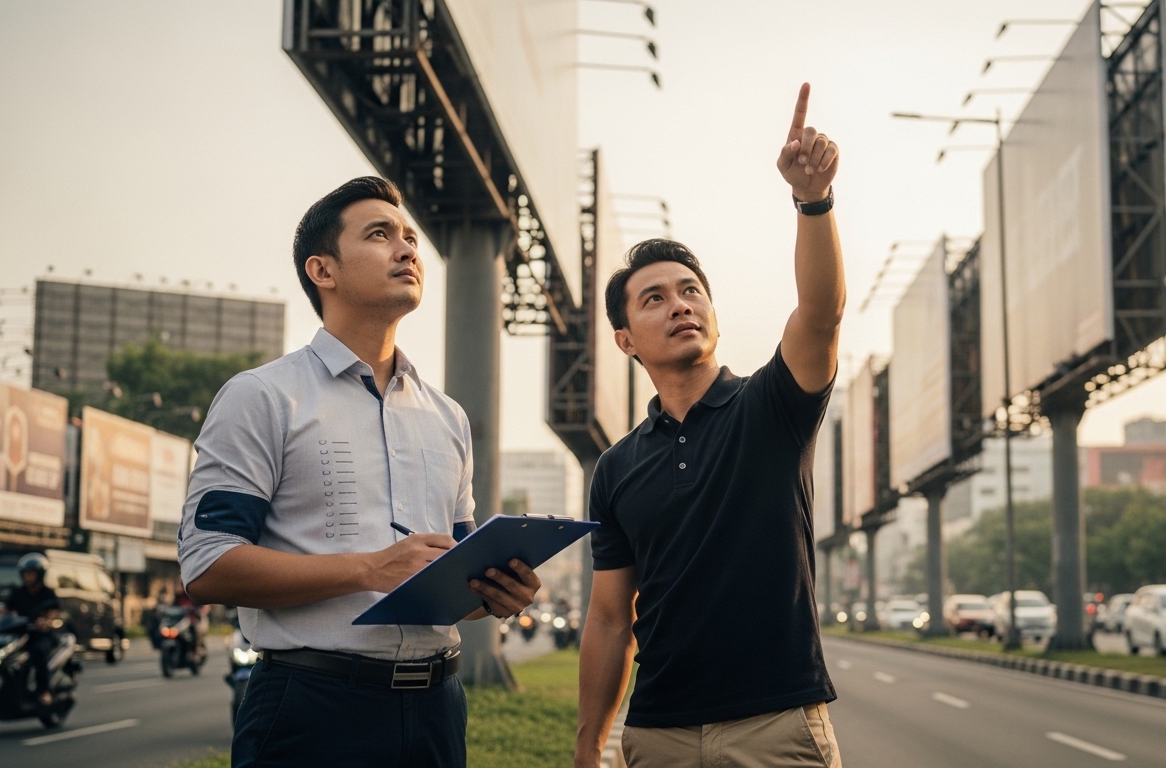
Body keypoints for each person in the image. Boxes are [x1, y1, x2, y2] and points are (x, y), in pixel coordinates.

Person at [179, 176, 541, 767]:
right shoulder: (262, 397)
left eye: (410, 238)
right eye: (380, 235)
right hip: (311, 709)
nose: (407, 250)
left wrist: (500, 593)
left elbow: (456, 585)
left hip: (437, 712)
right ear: (323, 271)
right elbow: (207, 566)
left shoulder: (448, 417)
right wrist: (370, 568)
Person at [575, 84, 845, 768]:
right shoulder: (616, 468)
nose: (679, 305)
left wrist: (812, 200)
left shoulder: (773, 407)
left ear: (714, 314)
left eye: (691, 290)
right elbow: (610, 618)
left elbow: (820, 313)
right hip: (657, 733)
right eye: (654, 298)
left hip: (776, 728)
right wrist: (588, 746)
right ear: (625, 340)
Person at [5, 553, 61, 707]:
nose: (27, 577)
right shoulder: (18, 592)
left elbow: (53, 612)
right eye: (25, 573)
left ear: (40, 575)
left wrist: (46, 621)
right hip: (21, 635)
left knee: (37, 653)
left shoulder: (47, 593)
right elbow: (5, 610)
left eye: (31, 573)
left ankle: (44, 691)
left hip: (41, 636)